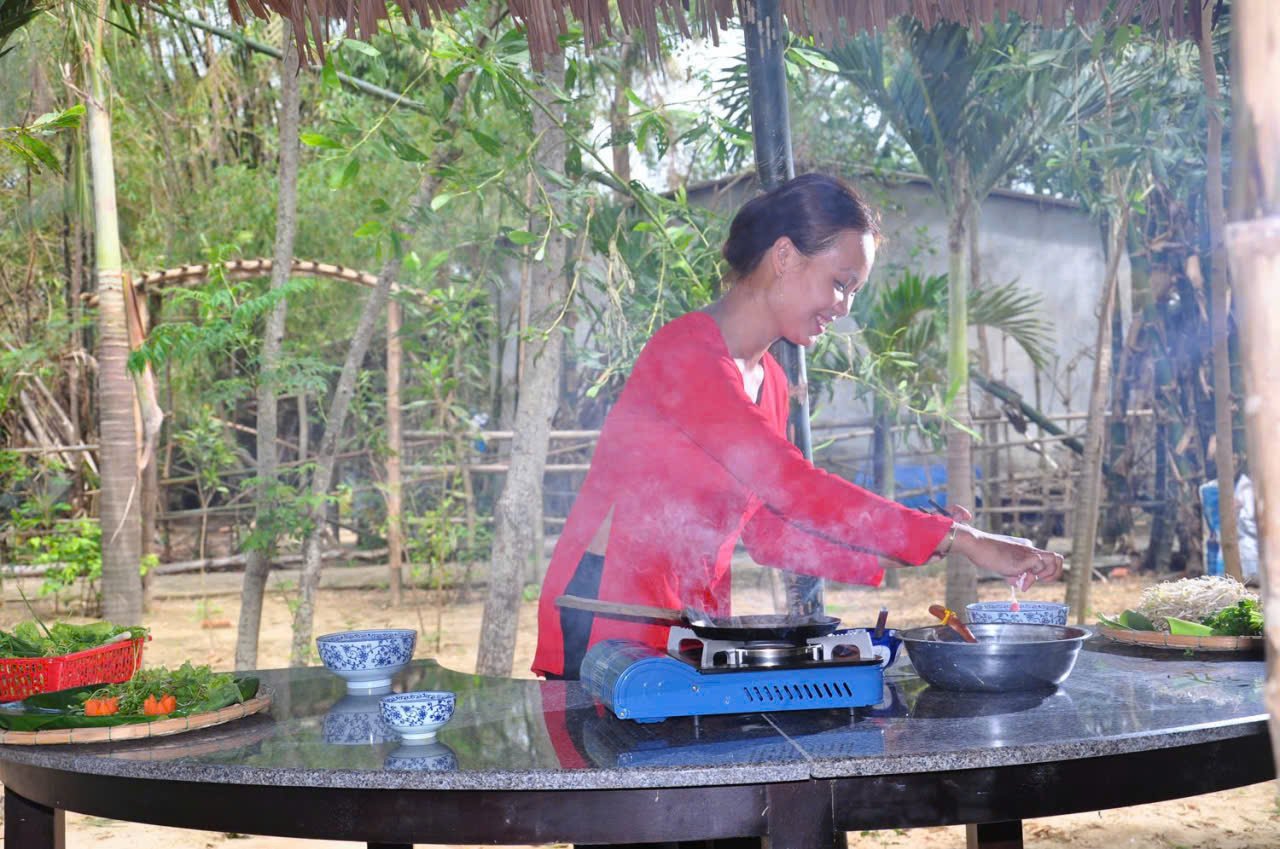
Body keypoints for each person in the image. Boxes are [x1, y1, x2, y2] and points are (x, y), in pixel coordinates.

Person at [532, 173, 1064, 680]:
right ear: (784, 256)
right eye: (840, 284)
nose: (845, 307)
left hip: (690, 622)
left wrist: (927, 543)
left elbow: (769, 531)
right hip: (608, 612)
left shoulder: (771, 381)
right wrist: (958, 537)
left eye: (854, 291)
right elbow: (796, 488)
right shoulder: (687, 355)